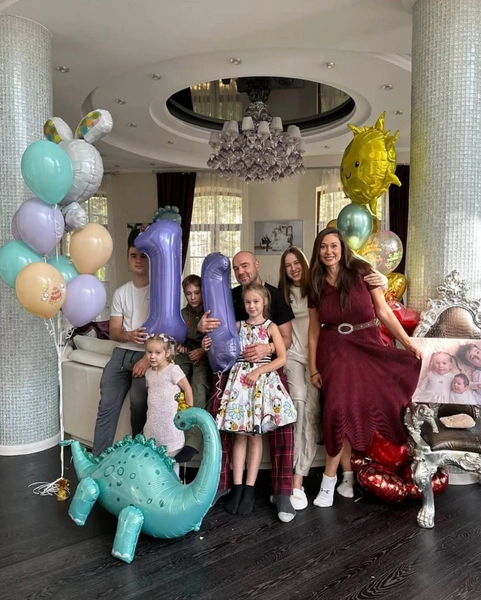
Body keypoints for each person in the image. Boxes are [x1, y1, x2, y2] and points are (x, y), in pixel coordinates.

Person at [308, 227, 421, 508]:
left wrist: (407, 343)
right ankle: (328, 481)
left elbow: (384, 312)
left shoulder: (362, 271)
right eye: (323, 246)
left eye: (334, 245)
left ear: (342, 248)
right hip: (333, 351)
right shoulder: (316, 282)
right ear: (318, 251)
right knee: (337, 410)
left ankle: (347, 476)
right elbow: (313, 329)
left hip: (366, 345)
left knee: (354, 409)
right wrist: (313, 368)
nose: (329, 251)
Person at [278, 246, 387, 510]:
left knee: (337, 411)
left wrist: (382, 279)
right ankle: (298, 480)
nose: (293, 268)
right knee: (305, 408)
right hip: (298, 356)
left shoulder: (319, 285)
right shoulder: (282, 294)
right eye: (288, 265)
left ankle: (344, 475)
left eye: (297, 263)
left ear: (306, 263)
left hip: (327, 355)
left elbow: (359, 291)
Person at [199, 250, 297, 523]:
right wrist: (203, 329)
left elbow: (286, 341)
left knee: (280, 425)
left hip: (265, 371)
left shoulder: (275, 297)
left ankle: (281, 491)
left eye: (245, 265)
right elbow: (218, 332)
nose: (241, 271)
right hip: (237, 373)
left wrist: (268, 348)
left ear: (256, 265)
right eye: (236, 268)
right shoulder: (229, 297)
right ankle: (225, 484)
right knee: (227, 424)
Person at [93, 243, 150, 456]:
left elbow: (167, 335)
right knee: (106, 404)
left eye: (143, 256)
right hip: (120, 353)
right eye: (133, 255)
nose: (138, 260)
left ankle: (138, 458)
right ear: (127, 259)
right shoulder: (120, 293)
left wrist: (147, 358)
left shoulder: (159, 291)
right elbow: (114, 331)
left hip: (146, 354)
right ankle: (98, 460)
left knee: (138, 403)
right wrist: (129, 335)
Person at [143, 334, 194, 473]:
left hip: (170, 426)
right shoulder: (148, 373)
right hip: (153, 424)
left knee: (171, 462)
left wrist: (188, 413)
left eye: (157, 353)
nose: (152, 356)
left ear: (167, 353)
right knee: (153, 461)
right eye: (149, 352)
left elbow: (187, 389)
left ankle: (174, 484)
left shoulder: (173, 370)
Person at [174, 275, 211, 462]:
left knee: (198, 386)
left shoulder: (210, 311)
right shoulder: (182, 314)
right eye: (188, 294)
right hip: (187, 354)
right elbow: (177, 337)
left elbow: (214, 337)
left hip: (204, 356)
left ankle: (192, 443)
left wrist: (202, 351)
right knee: (173, 381)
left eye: (197, 293)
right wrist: (179, 345)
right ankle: (172, 434)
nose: (193, 297)